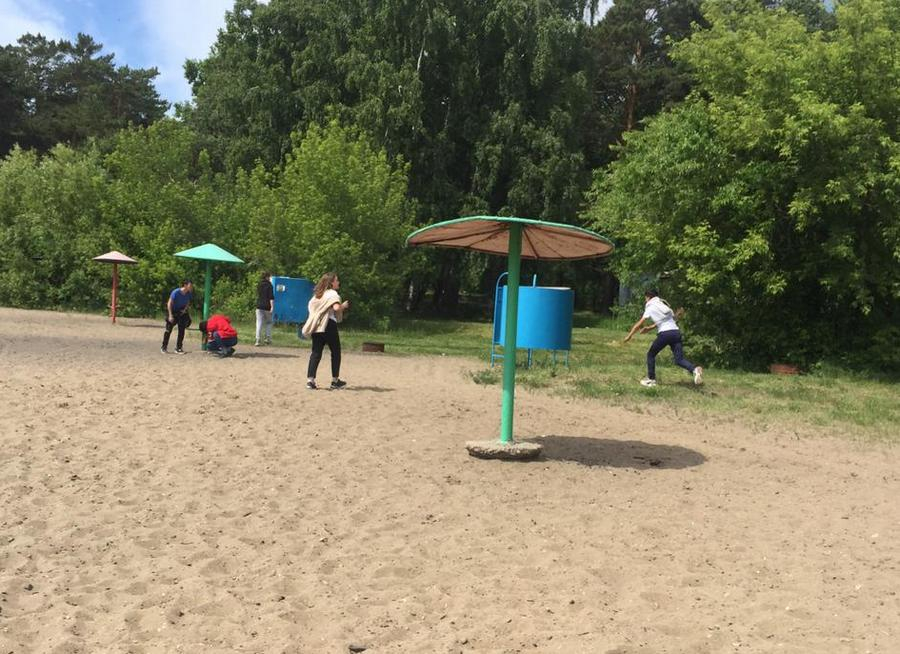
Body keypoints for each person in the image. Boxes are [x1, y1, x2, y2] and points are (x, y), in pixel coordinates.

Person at [624, 289, 703, 387]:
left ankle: (651, 380)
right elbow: (665, 320)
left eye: (645, 298)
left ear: (648, 297)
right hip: (675, 332)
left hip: (665, 334)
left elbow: (639, 323)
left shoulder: (650, 306)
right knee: (679, 359)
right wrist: (649, 328)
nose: (645, 300)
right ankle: (695, 369)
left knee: (651, 355)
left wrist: (629, 335)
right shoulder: (663, 305)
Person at [301, 272, 349, 390]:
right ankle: (335, 381)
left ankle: (310, 381)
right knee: (335, 352)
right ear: (331, 283)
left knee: (316, 352)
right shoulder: (332, 293)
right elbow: (336, 308)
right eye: (336, 280)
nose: (338, 282)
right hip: (328, 324)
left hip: (317, 326)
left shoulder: (317, 295)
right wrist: (343, 306)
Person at [161, 280, 193, 354]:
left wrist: (184, 310)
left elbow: (188, 302)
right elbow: (169, 303)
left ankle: (178, 348)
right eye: (190, 285)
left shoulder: (189, 294)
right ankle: (164, 347)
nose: (191, 287)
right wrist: (170, 315)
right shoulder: (176, 292)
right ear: (185, 285)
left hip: (181, 312)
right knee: (168, 330)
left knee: (182, 330)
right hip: (172, 311)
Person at [255, 271, 275, 346]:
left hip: (259, 305)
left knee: (259, 323)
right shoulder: (269, 285)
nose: (270, 278)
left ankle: (257, 340)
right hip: (267, 306)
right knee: (269, 322)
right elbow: (271, 297)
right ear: (267, 277)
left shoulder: (259, 284)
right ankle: (267, 338)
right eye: (269, 276)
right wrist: (272, 307)